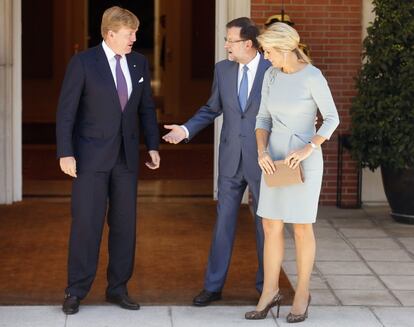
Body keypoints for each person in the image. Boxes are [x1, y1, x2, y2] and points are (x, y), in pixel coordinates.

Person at [56, 6, 160, 315]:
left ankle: (117, 288)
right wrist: (65, 152)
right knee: (87, 225)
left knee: (124, 226)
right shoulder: (83, 63)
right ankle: (76, 290)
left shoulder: (139, 62)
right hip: (89, 159)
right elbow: (66, 113)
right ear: (110, 34)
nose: (135, 39)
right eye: (130, 34)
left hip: (126, 159)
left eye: (136, 33)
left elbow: (146, 109)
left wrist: (152, 145)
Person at [162, 17, 271, 306]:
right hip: (230, 158)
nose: (226, 45)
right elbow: (212, 108)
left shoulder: (273, 69)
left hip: (264, 159)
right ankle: (213, 286)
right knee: (223, 222)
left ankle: (266, 287)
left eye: (230, 40)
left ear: (248, 43)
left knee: (265, 225)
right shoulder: (222, 70)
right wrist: (185, 129)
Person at [244, 23, 339, 322]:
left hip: (303, 161)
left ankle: (302, 293)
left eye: (268, 51)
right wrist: (261, 151)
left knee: (300, 227)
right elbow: (262, 118)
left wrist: (309, 148)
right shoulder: (271, 75)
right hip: (273, 160)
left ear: (285, 49)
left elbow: (332, 119)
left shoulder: (313, 76)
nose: (266, 57)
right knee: (270, 226)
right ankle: (270, 291)